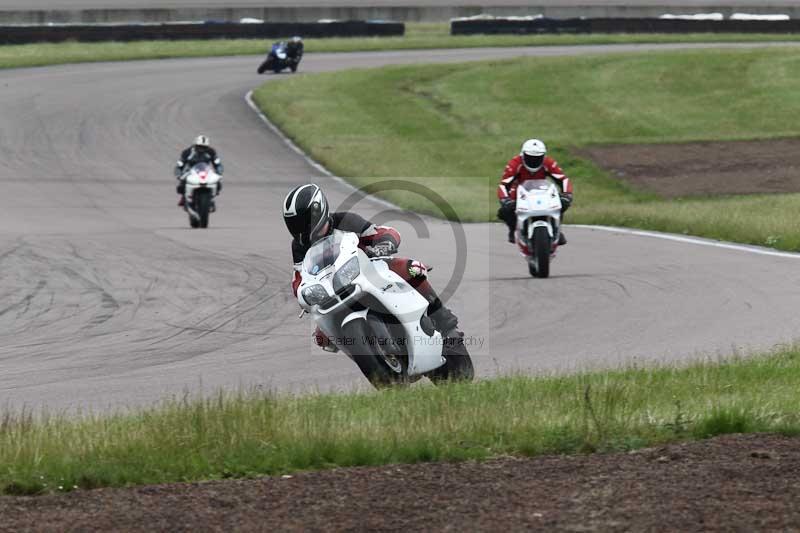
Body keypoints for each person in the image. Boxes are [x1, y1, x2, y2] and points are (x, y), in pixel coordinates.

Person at [283, 183, 462, 352]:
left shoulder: (346, 221)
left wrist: (383, 245)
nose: (300, 230)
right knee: (322, 336)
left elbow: (385, 232)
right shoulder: (299, 246)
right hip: (334, 292)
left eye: (303, 223)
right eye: (294, 225)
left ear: (318, 211)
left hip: (370, 273)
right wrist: (304, 294)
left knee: (410, 269)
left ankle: (446, 324)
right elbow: (299, 277)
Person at [496, 139, 573, 244]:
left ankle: (557, 230)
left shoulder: (548, 162)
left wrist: (567, 195)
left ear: (543, 156)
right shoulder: (515, 163)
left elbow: (563, 179)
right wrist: (505, 200)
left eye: (537, 158)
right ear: (523, 155)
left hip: (542, 192)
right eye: (530, 157)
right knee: (505, 211)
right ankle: (513, 229)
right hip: (519, 193)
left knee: (561, 203)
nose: (534, 160)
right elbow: (503, 185)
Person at [174, 135, 224, 207]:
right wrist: (179, 173)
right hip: (191, 170)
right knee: (182, 183)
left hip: (206, 170)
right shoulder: (187, 152)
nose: (201, 149)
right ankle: (184, 197)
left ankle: (211, 198)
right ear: (195, 145)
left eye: (204, 147)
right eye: (199, 146)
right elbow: (180, 164)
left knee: (218, 182)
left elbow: (218, 164)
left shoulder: (211, 152)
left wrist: (219, 173)